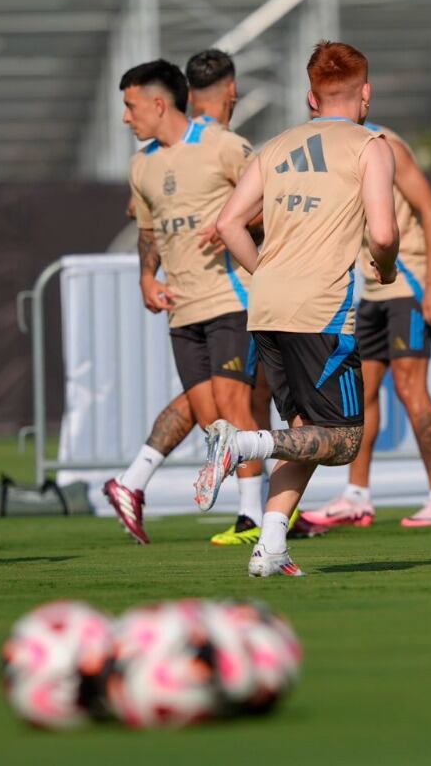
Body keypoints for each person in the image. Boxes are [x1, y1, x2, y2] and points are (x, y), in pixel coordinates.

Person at [200, 40, 399, 577]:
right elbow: (382, 231)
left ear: (311, 98)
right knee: (345, 438)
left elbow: (228, 225)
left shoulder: (277, 144)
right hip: (321, 310)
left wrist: (264, 273)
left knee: (304, 429)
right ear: (366, 93)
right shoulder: (370, 144)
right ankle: (242, 442)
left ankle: (270, 545)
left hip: (266, 307)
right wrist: (389, 265)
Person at [105, 59, 268, 546]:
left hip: (232, 299)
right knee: (210, 417)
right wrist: (146, 276)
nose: (125, 118)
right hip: (183, 308)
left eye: (130, 107)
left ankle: (253, 516)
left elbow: (274, 197)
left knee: (237, 404)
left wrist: (237, 224)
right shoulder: (142, 165)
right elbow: (149, 229)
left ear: (159, 104)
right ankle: (260, 507)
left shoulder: (223, 145)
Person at [300, 120, 431, 531]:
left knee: (409, 388)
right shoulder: (338, 152)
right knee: (363, 393)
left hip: (409, 284)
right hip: (372, 287)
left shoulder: (387, 146)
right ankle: (357, 495)